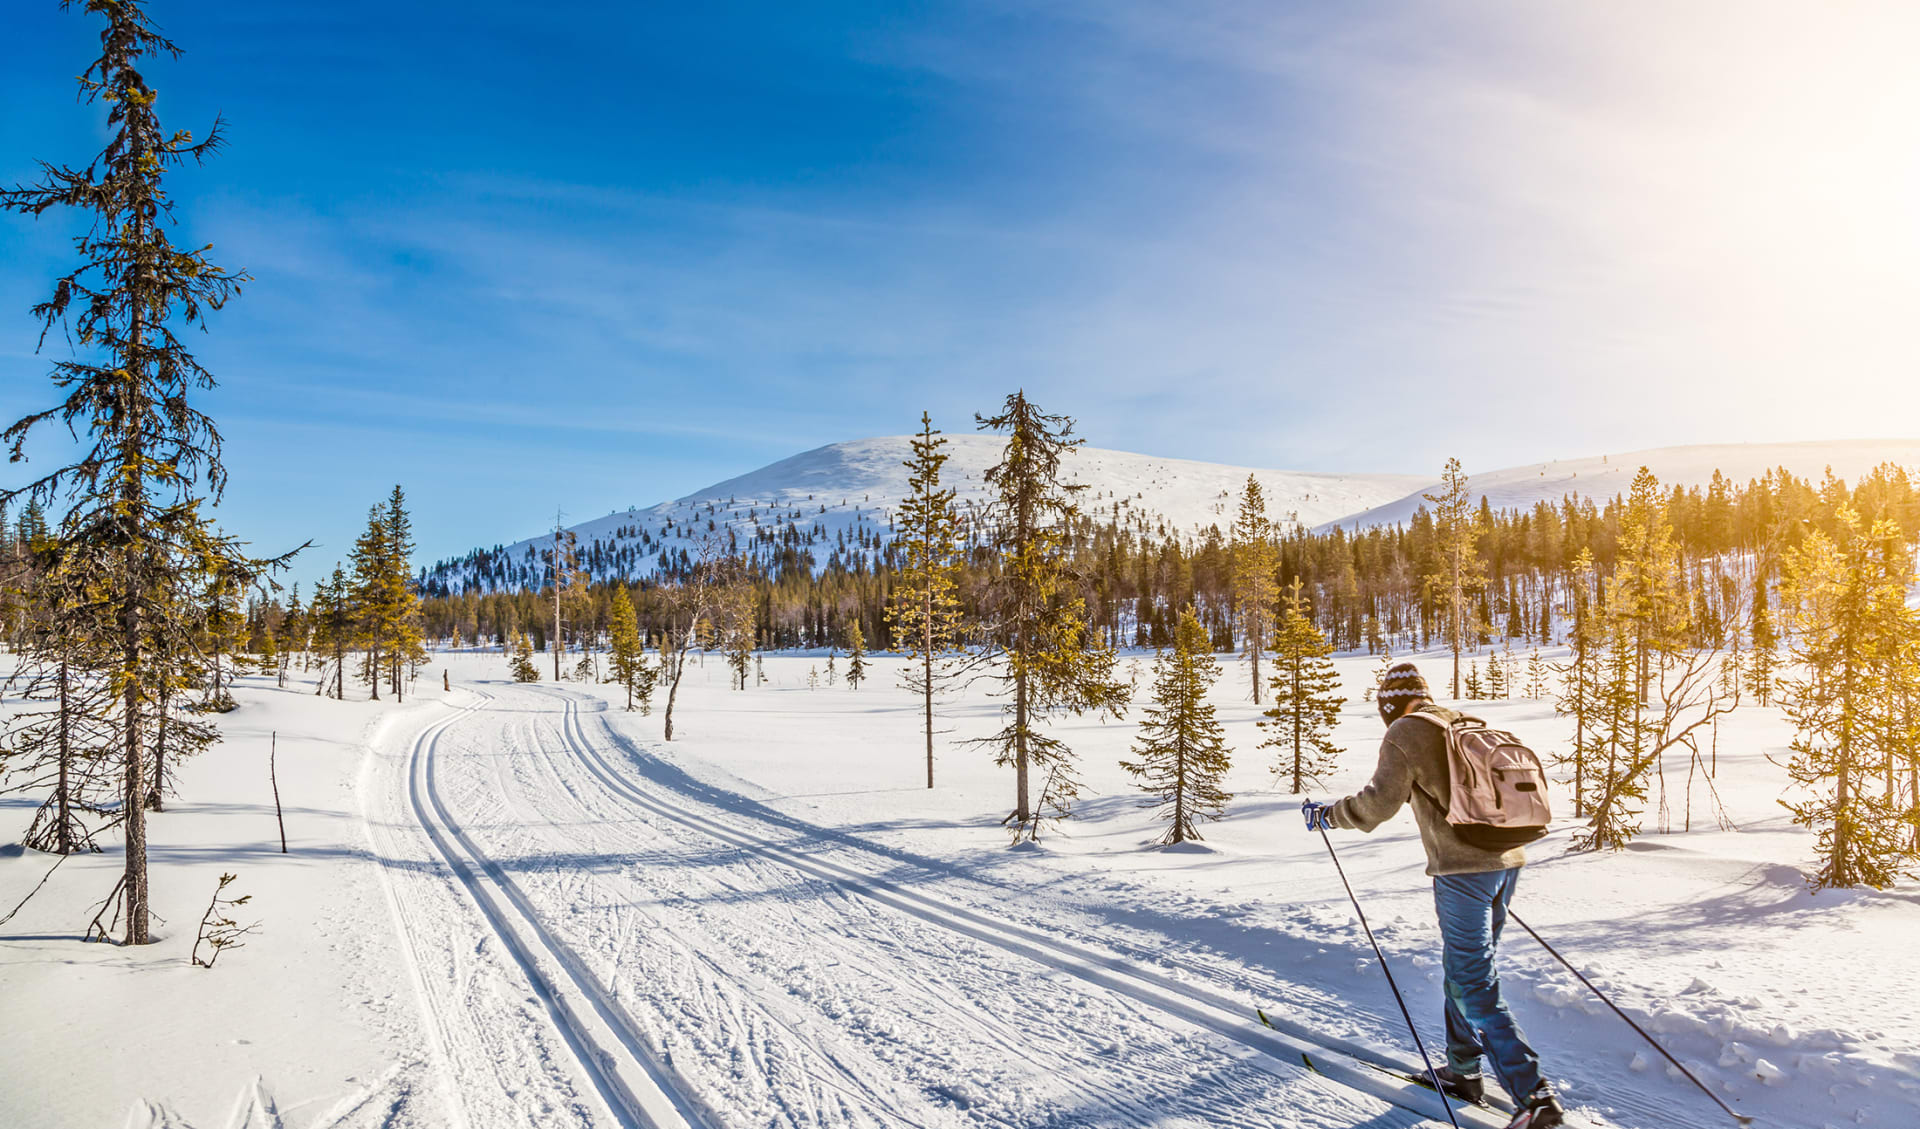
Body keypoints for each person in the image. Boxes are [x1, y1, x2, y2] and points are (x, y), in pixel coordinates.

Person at [1302, 661, 1565, 1129]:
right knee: (1464, 973)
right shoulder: (1457, 722)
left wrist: (1327, 816)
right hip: (1506, 862)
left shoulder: (1406, 732)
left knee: (1472, 984)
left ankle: (1535, 1098)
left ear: (1388, 705)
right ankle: (1463, 1072)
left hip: (1465, 871)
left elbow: (1376, 805)